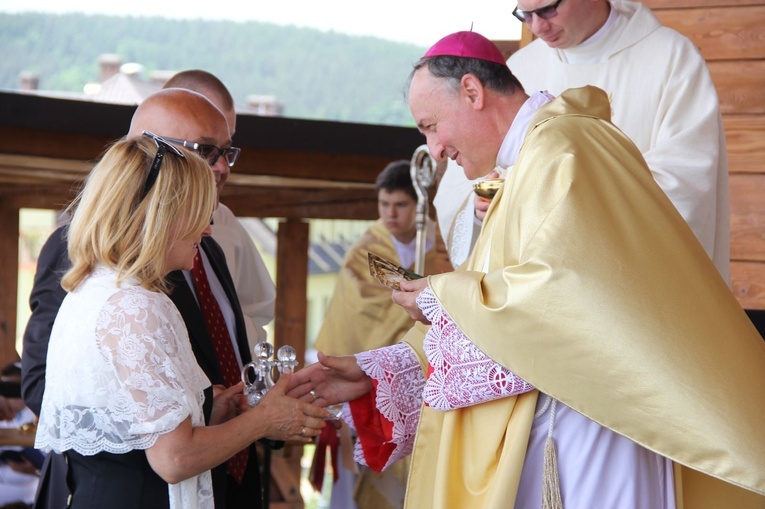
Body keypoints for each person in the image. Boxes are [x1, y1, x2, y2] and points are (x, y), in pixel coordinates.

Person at [287, 32, 765, 508]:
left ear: (472, 92)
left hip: (592, 431)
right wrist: (386, 371)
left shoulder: (566, 148)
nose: (434, 150)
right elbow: (503, 297)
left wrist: (439, 293)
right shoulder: (529, 163)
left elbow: (569, 295)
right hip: (562, 422)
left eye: (431, 126)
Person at [20, 88, 288, 509]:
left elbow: (124, 399)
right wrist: (264, 420)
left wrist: (206, 408)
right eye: (199, 213)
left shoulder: (101, 286)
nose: (208, 230)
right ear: (165, 211)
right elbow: (173, 457)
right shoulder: (134, 304)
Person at [435, 0, 729, 281]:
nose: (537, 27)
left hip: (627, 284)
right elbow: (466, 182)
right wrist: (482, 206)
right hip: (530, 293)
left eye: (549, 9)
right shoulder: (523, 66)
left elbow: (685, 179)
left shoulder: (671, 58)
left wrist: (555, 204)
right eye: (524, 15)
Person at [311, 160, 438, 509]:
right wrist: (417, 309)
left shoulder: (439, 243)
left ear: (418, 205)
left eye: (400, 205)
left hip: (427, 376)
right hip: (373, 378)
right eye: (384, 204)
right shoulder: (365, 250)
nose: (391, 213)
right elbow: (361, 310)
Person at [163, 70, 276, 347]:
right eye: (205, 148)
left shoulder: (224, 223)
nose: (222, 167)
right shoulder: (98, 240)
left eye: (227, 147)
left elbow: (256, 309)